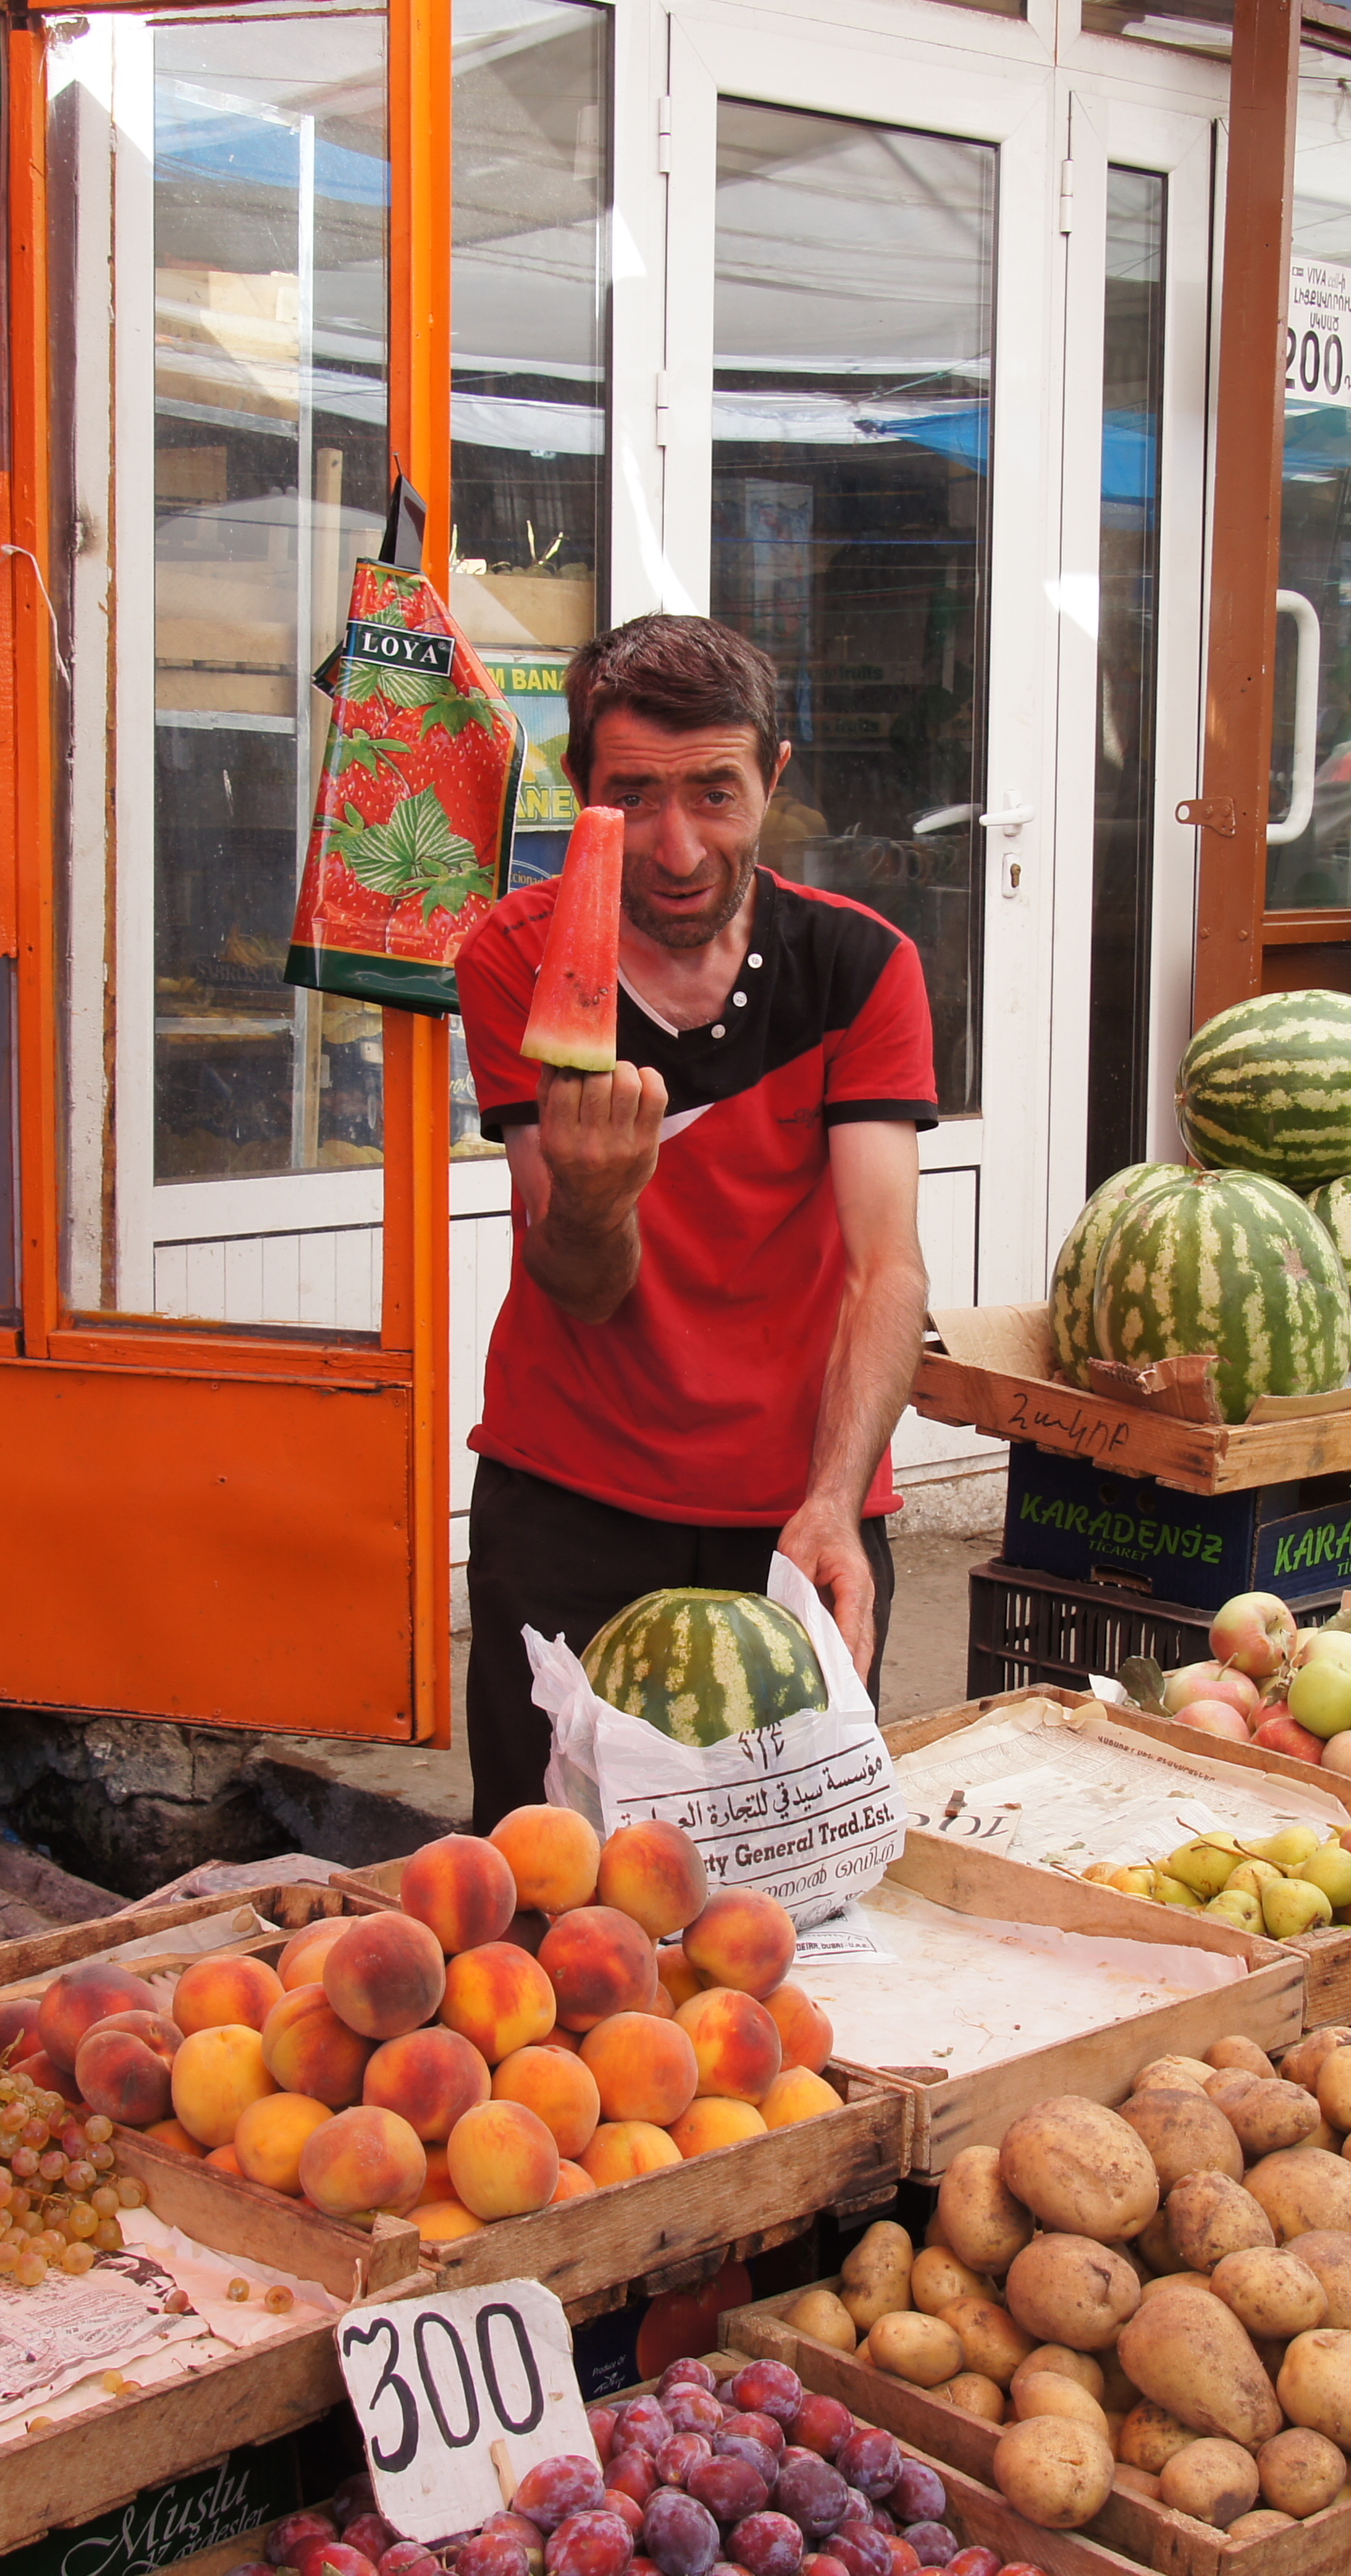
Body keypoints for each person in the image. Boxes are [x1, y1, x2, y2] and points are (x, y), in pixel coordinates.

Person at [454, 616, 937, 1828]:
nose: (677, 849)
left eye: (716, 793)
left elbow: (885, 1269)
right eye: (633, 797)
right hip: (570, 1495)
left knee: (795, 1872)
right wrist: (595, 1201)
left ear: (775, 777)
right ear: (581, 791)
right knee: (552, 1870)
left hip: (798, 1506)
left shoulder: (863, 967)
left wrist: (835, 1500)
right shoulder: (516, 957)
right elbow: (581, 1284)